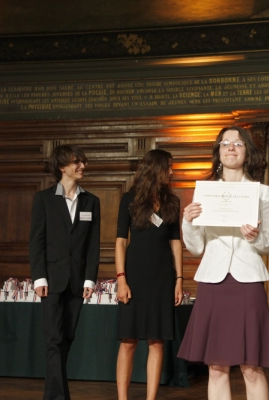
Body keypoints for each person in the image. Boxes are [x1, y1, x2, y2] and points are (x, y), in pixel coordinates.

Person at [177, 126, 269, 400]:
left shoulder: (262, 192)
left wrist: (256, 238)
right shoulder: (206, 192)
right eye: (225, 143)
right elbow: (197, 247)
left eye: (237, 143)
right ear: (218, 152)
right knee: (216, 367)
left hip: (247, 281)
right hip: (213, 281)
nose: (231, 148)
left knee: (251, 366)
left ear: (247, 152)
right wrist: (187, 222)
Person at [29, 144, 100, 400]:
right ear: (61, 167)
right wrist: (39, 277)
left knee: (66, 338)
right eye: (76, 162)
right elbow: (36, 242)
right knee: (53, 340)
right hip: (51, 280)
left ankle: (54, 394)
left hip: (78, 282)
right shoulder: (44, 199)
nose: (82, 166)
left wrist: (91, 278)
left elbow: (93, 245)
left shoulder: (91, 201)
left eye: (83, 161)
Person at [115, 149, 183, 400]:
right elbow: (121, 241)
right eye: (168, 168)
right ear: (155, 169)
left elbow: (176, 242)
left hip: (163, 276)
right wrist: (121, 279)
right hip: (134, 275)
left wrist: (179, 279)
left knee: (157, 341)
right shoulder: (129, 199)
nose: (172, 172)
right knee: (128, 340)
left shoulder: (173, 202)